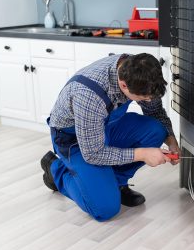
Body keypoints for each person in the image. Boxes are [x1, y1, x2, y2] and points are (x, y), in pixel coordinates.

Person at [40, 53, 180, 221]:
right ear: (124, 85)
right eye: (144, 98)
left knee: (156, 130)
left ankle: (117, 184)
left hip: (105, 127)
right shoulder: (89, 95)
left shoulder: (141, 71)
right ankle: (56, 169)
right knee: (105, 209)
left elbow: (155, 111)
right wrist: (143, 154)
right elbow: (93, 154)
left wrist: (171, 141)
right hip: (75, 141)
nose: (149, 100)